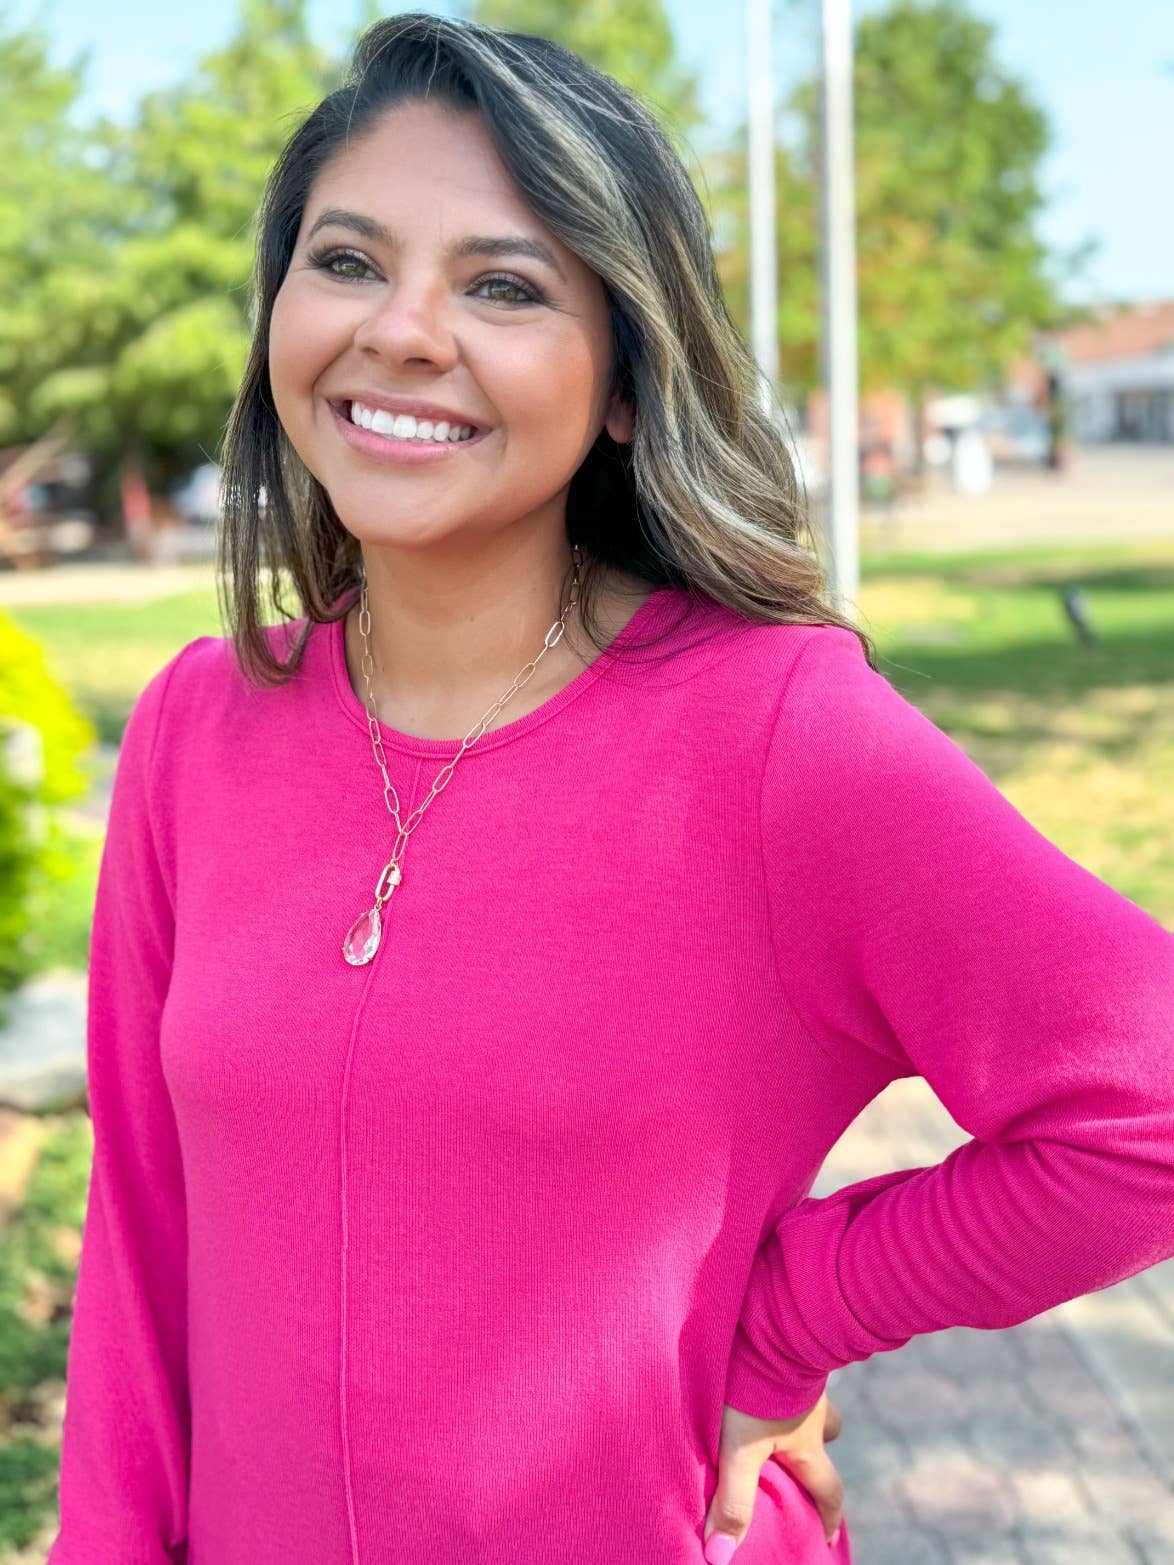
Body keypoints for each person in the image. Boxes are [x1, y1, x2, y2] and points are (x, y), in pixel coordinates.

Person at [48, 13, 1174, 1565]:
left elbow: (1145, 1104)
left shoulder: (776, 732)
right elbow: (142, 1230)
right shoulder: (199, 724)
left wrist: (784, 1321)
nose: (403, 330)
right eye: (348, 261)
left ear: (629, 382)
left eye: (502, 285)